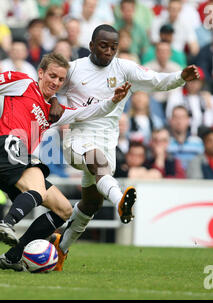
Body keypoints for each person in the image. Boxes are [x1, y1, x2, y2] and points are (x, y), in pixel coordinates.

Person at [0, 52, 132, 271]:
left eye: (60, 80)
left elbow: (89, 112)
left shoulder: (53, 112)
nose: (55, 82)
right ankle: (6, 223)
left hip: (17, 163)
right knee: (38, 181)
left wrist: (113, 100)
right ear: (41, 72)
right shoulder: (22, 83)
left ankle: (12, 256)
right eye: (52, 76)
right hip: (6, 147)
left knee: (63, 209)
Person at [50, 24, 200, 271]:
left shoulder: (124, 68)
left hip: (108, 141)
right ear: (91, 45)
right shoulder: (74, 69)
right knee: (97, 163)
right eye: (103, 45)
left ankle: (61, 249)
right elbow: (51, 86)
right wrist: (55, 101)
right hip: (78, 139)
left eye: (113, 47)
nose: (109, 51)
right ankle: (121, 201)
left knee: (91, 205)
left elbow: (156, 81)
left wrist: (180, 77)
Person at [168, 105, 204, 171]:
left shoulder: (198, 142)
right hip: (172, 178)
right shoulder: (165, 142)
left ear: (188, 120)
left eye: (182, 117)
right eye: (176, 117)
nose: (179, 121)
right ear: (171, 120)